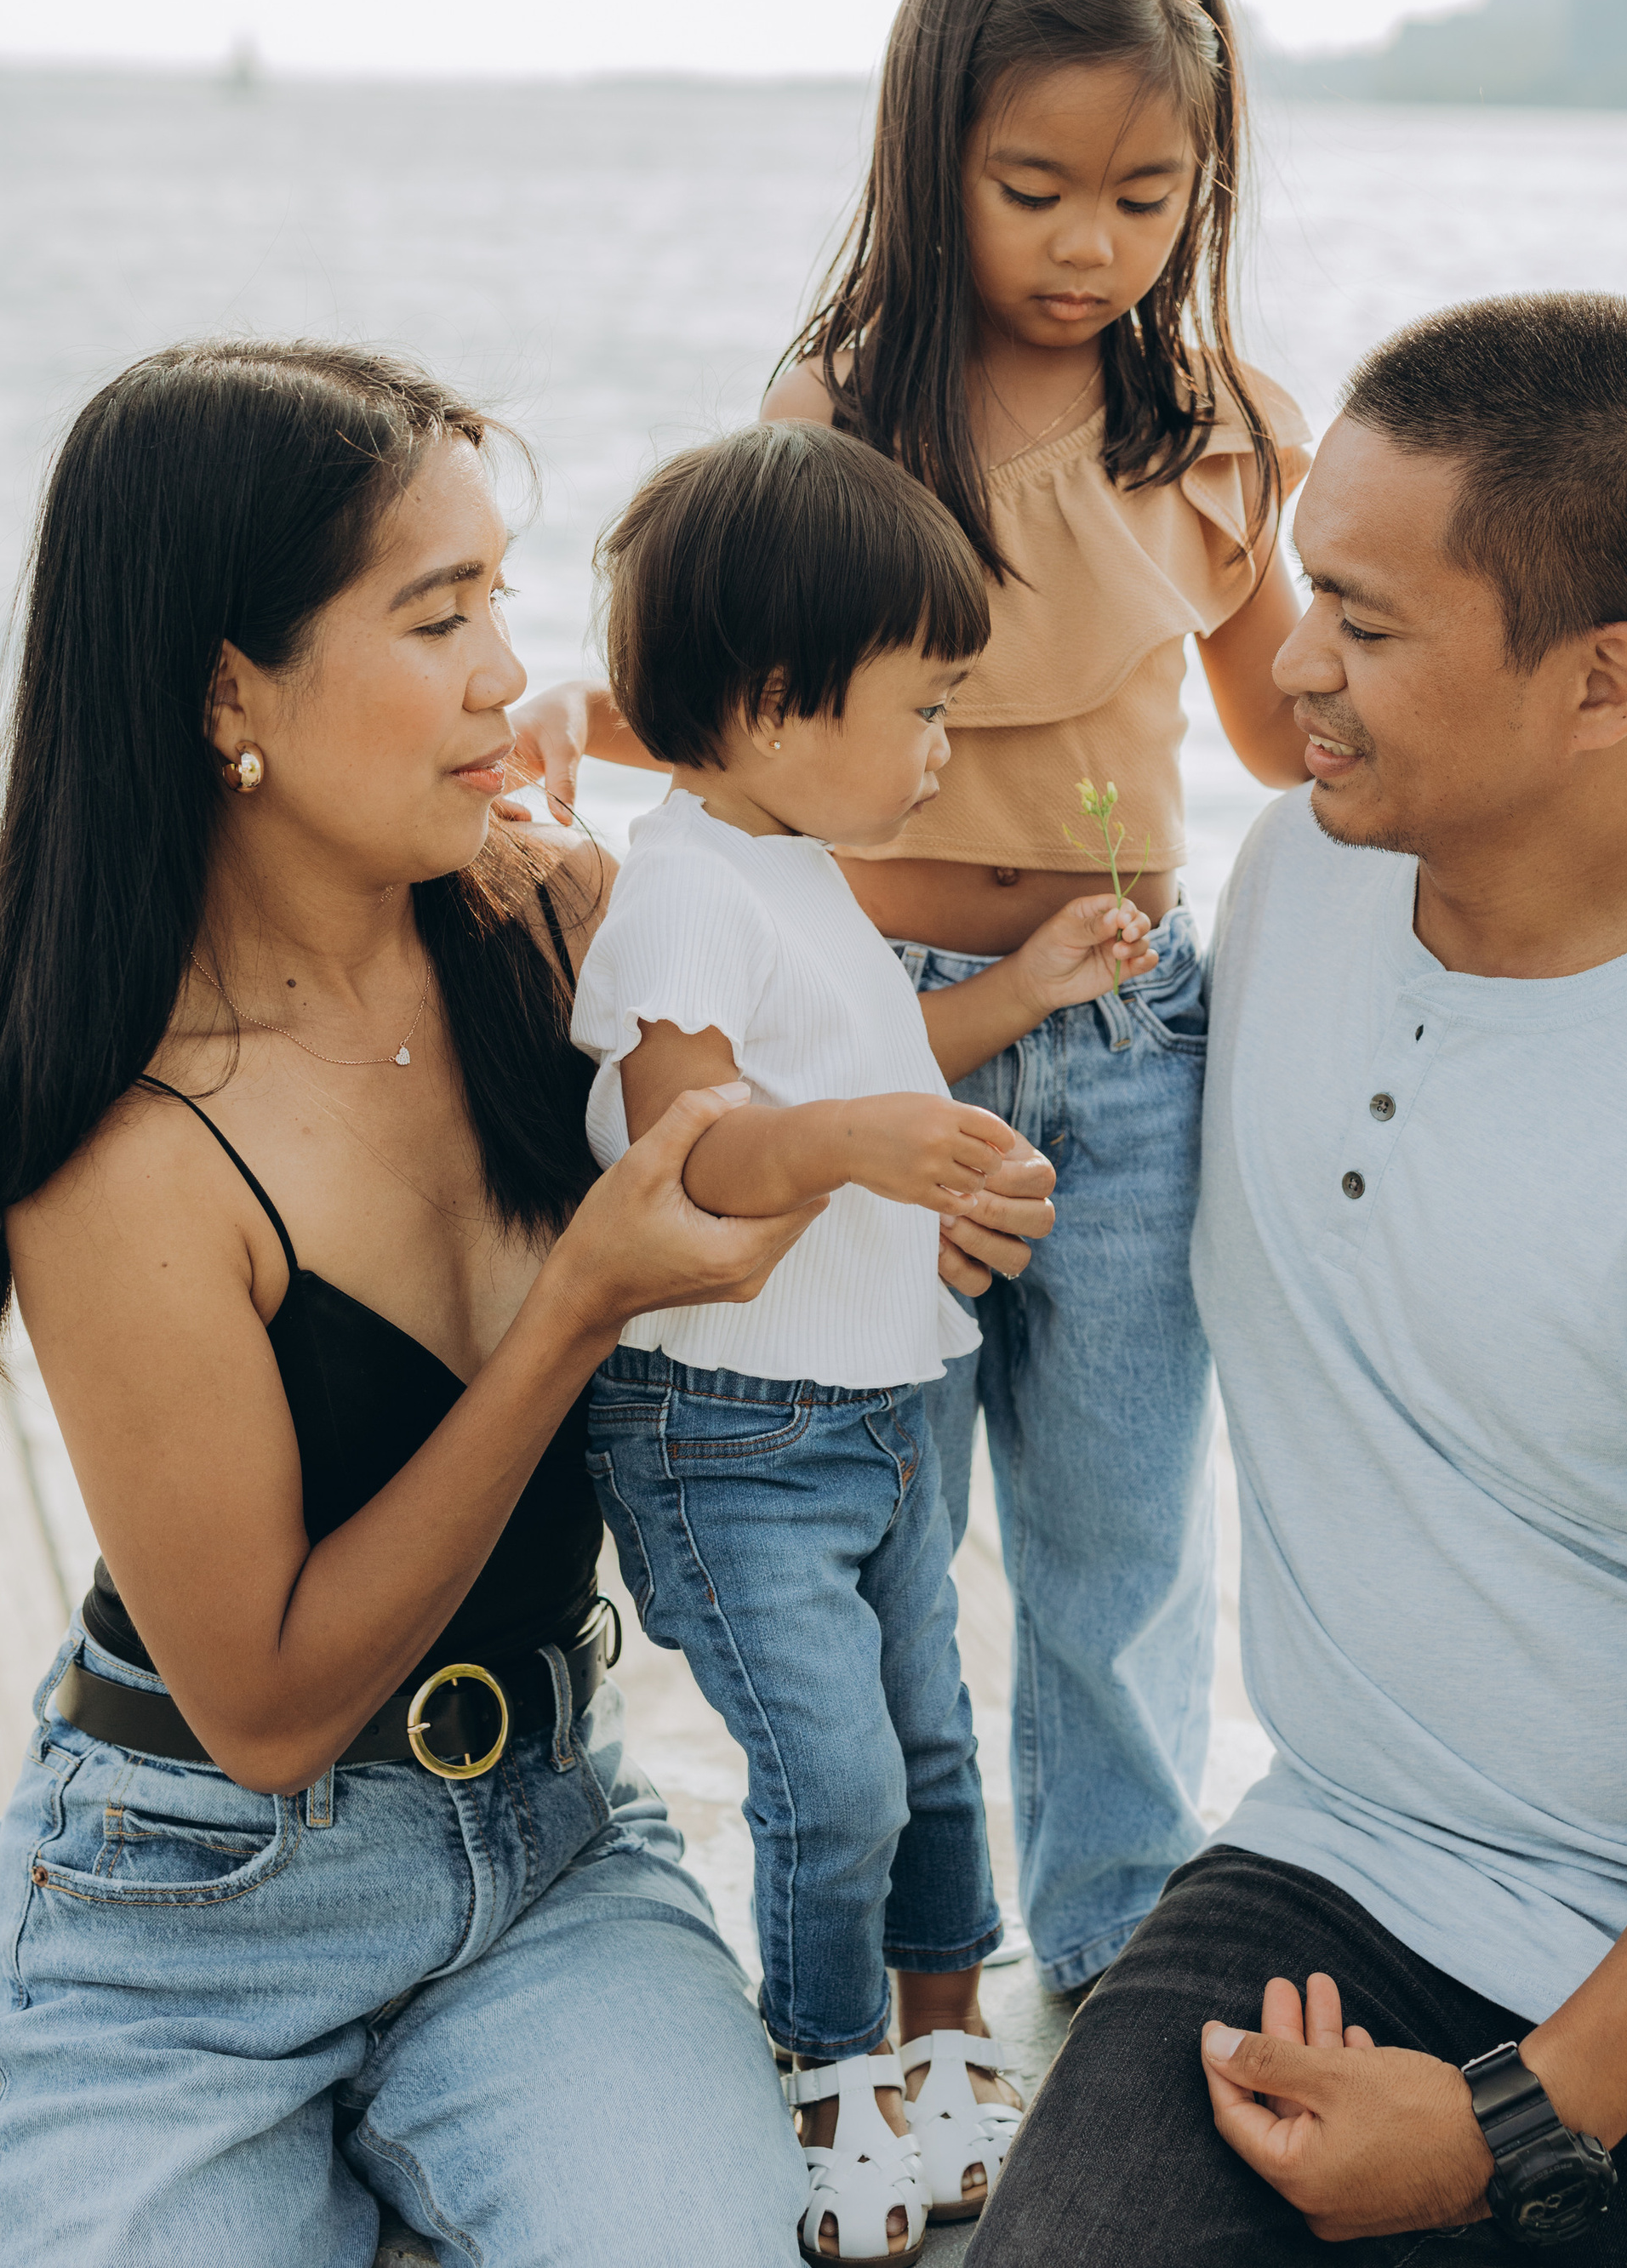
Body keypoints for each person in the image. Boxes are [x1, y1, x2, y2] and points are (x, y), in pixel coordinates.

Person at [976, 291, 1627, 2266]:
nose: (1289, 662)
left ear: (1600, 684)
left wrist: (1518, 2117)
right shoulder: (1295, 879)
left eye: (1362, 623)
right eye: (1302, 591)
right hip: (1342, 1885)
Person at [0, 337, 916, 2268]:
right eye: (438, 615)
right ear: (229, 690)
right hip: (189, 1915)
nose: (501, 673)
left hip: (543, 1849)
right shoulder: (119, 1144)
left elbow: (847, 807)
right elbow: (270, 1705)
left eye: (501, 604)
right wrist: (576, 1311)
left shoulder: (560, 929)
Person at [512, 0, 1313, 1996]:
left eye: (1146, 195)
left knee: (1120, 1533)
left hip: (1125, 1041)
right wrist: (563, 716)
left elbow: (1280, 736)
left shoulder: (1212, 429)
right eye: (1031, 188)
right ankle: (898, 1966)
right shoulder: (850, 406)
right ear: (930, 150)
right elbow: (744, 704)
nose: (1087, 243)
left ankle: (1117, 1944)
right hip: (878, 1040)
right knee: (888, 1518)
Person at [572, 421, 1157, 2259]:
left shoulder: (795, 866)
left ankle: (942, 2045)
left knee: (928, 1749)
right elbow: (692, 1148)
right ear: (769, 703)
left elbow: (875, 1067)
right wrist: (858, 1149)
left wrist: (1023, 994)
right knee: (830, 1781)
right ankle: (827, 2077)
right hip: (732, 1433)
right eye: (923, 710)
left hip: (879, 1411)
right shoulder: (683, 887)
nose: (940, 753)